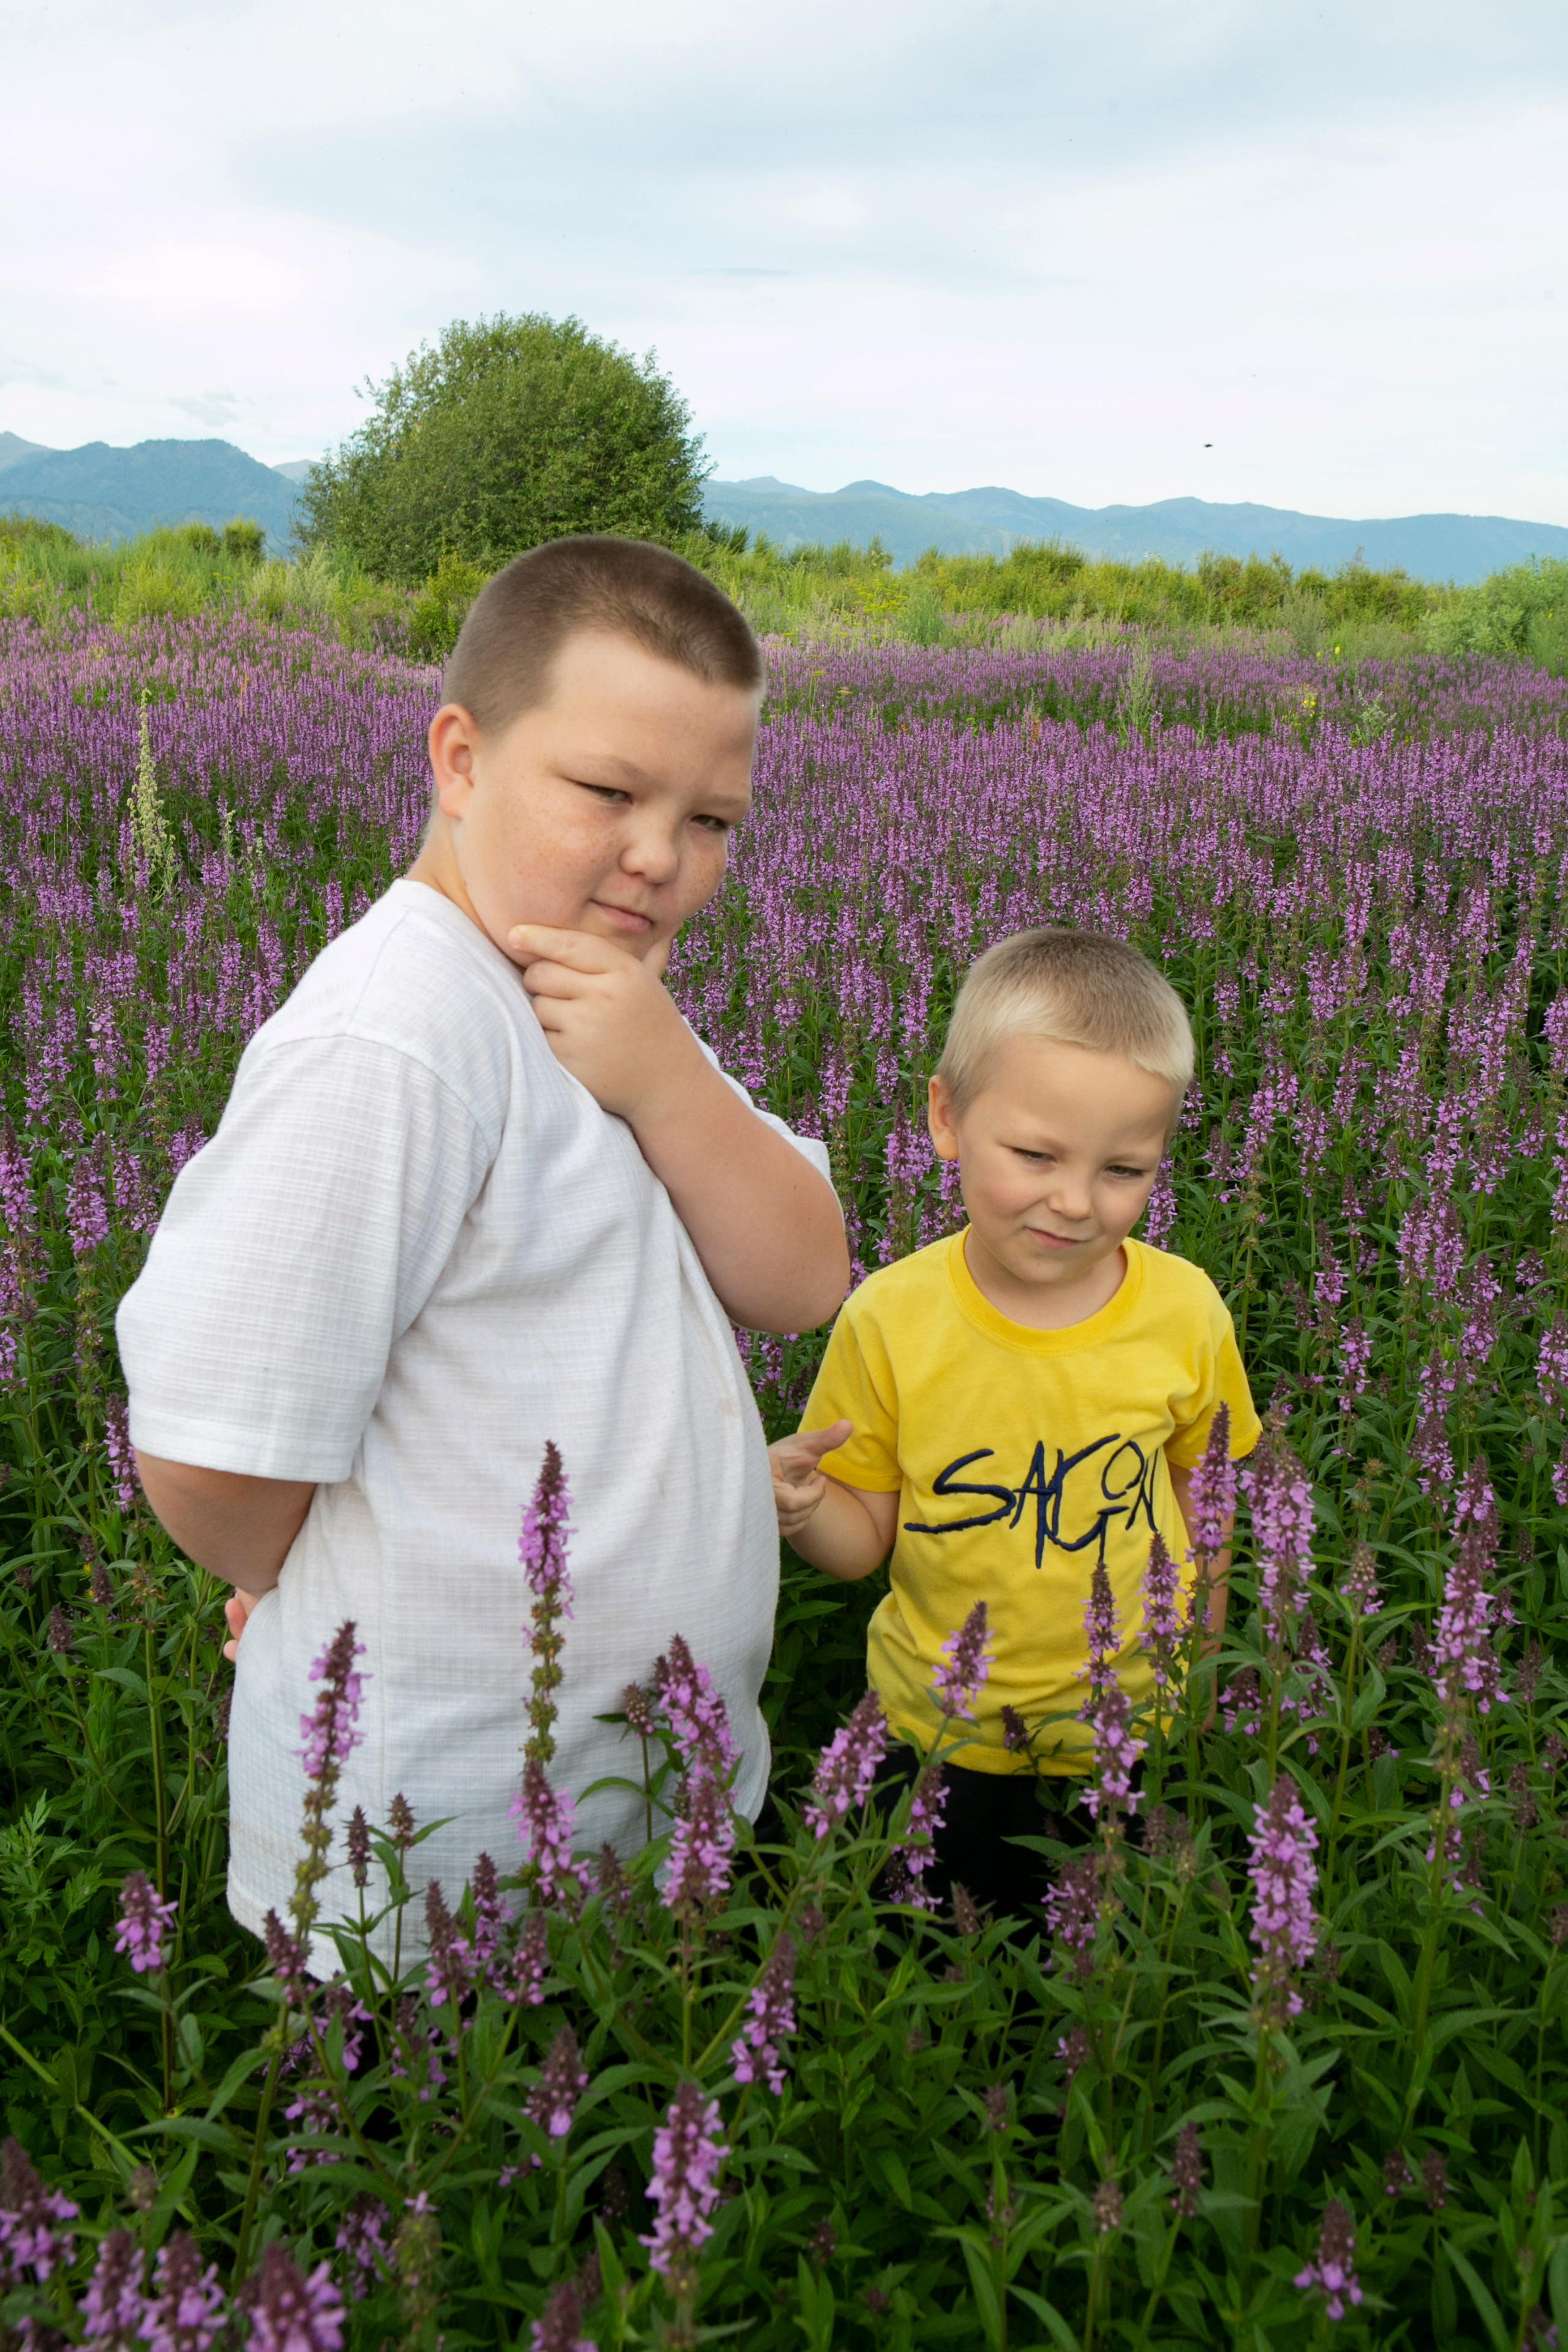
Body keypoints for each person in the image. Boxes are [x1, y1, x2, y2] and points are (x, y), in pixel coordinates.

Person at [118, 535, 849, 1959]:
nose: (660, 854)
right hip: (433, 1863)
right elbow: (213, 1450)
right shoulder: (397, 1037)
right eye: (607, 791)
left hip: (630, 1815)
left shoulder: (606, 1002)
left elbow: (801, 1280)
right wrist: (292, 1566)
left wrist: (669, 1080)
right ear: (459, 760)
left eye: (712, 820)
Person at [769, 928, 1259, 1916]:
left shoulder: (1186, 1309)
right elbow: (864, 1543)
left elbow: (1208, 1489)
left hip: (1130, 1725)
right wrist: (794, 1506)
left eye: (1126, 1169)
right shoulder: (892, 1321)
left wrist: (1203, 1654)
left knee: (1119, 1962)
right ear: (946, 1118)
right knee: (957, 1950)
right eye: (1035, 1154)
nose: (1075, 1201)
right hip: (944, 1733)